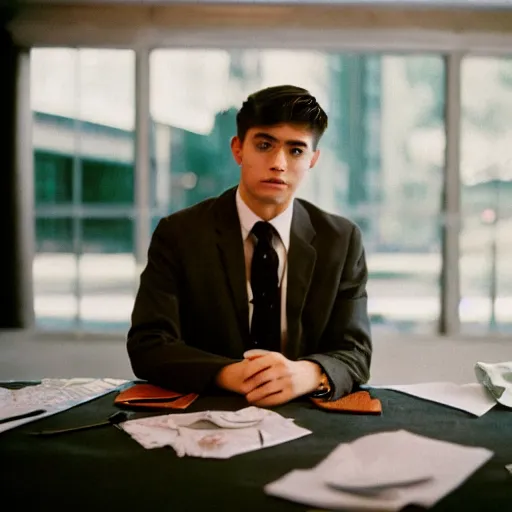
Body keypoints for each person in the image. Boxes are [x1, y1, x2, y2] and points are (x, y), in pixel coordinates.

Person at [127, 85, 372, 407]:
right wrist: (230, 373)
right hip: (206, 410)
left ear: (313, 159)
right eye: (265, 145)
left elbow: (355, 352)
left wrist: (307, 374)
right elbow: (148, 344)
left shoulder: (341, 239)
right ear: (239, 149)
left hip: (307, 416)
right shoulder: (180, 234)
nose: (279, 163)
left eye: (296, 150)